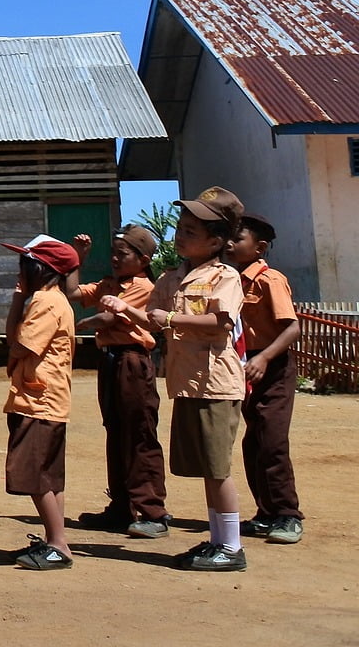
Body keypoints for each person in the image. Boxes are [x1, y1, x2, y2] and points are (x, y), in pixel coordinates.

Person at [104, 187, 249, 571]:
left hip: (216, 383)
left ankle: (232, 547)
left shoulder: (225, 277)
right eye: (180, 228)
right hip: (187, 384)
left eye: (190, 231)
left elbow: (220, 323)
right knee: (206, 467)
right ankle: (218, 540)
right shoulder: (172, 278)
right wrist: (124, 309)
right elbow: (151, 316)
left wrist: (170, 320)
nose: (180, 235)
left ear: (216, 241)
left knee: (218, 469)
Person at [68, 223, 170, 538]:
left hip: (132, 362)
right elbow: (72, 292)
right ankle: (121, 506)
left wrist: (85, 323)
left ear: (142, 259)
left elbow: (111, 318)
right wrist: (77, 259)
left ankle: (153, 511)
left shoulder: (143, 286)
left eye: (122, 253)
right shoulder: (109, 283)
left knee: (139, 434)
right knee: (116, 432)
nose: (114, 258)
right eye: (112, 252)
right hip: (111, 360)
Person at [1, 234, 80, 571]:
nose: (20, 271)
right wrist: (21, 296)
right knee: (48, 477)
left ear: (41, 269)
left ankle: (58, 544)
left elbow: (19, 345)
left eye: (25, 264)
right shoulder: (45, 299)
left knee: (34, 475)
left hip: (39, 401)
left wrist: (19, 299)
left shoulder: (46, 303)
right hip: (44, 399)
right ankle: (54, 538)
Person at [229, 214, 303, 545]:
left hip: (272, 366)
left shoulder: (270, 280)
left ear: (259, 247)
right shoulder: (233, 281)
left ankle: (288, 515)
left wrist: (263, 357)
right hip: (248, 365)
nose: (230, 243)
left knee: (272, 439)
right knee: (254, 440)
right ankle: (265, 512)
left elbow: (292, 328)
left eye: (238, 238)